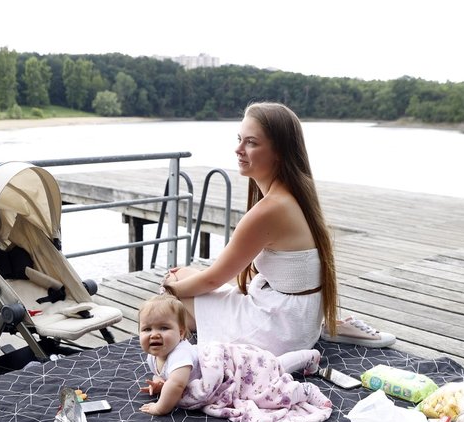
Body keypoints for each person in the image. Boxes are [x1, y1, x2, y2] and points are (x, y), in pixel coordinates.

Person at [161, 101, 395, 351]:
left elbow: (213, 280)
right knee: (184, 278)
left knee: (174, 287)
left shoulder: (269, 210)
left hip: (278, 332)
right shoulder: (296, 195)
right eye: (240, 139)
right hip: (300, 321)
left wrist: (165, 291)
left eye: (251, 142)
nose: (238, 149)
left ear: (278, 152)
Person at [138, 295, 326, 422]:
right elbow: (167, 377)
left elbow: (177, 383)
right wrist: (160, 383)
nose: (154, 334)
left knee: (269, 393)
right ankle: (309, 356)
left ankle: (304, 391)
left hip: (237, 367)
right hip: (241, 362)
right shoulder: (154, 356)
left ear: (180, 333)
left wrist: (160, 407)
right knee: (274, 365)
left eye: (163, 328)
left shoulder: (180, 355)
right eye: (147, 329)